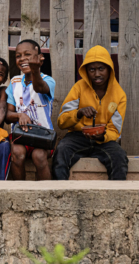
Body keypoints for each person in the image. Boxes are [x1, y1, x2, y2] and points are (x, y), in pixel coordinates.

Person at [54, 45, 128, 180]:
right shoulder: (79, 88)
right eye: (92, 69)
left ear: (110, 69)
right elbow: (62, 121)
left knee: (119, 156)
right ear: (86, 71)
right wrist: (78, 113)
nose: (97, 74)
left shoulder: (119, 95)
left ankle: (116, 192)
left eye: (101, 68)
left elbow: (115, 130)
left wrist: (103, 137)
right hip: (78, 136)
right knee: (61, 150)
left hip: (104, 139)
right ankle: (60, 190)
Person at [6, 39, 56, 180]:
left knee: (39, 156)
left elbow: (39, 88)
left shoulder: (48, 80)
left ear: (40, 57)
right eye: (18, 56)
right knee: (17, 153)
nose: (22, 58)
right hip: (20, 135)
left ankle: (45, 192)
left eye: (27, 54)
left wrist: (35, 70)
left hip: (43, 136)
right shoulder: (14, 82)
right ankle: (20, 191)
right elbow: (8, 115)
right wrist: (19, 116)